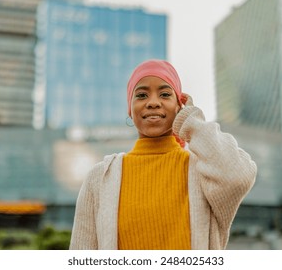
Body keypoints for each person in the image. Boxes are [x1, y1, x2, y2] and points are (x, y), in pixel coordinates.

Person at [69, 59, 257, 250]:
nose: (152, 103)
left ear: (179, 106)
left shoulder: (202, 172)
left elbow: (239, 176)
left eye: (165, 94)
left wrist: (191, 120)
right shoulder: (100, 178)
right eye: (141, 95)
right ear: (130, 108)